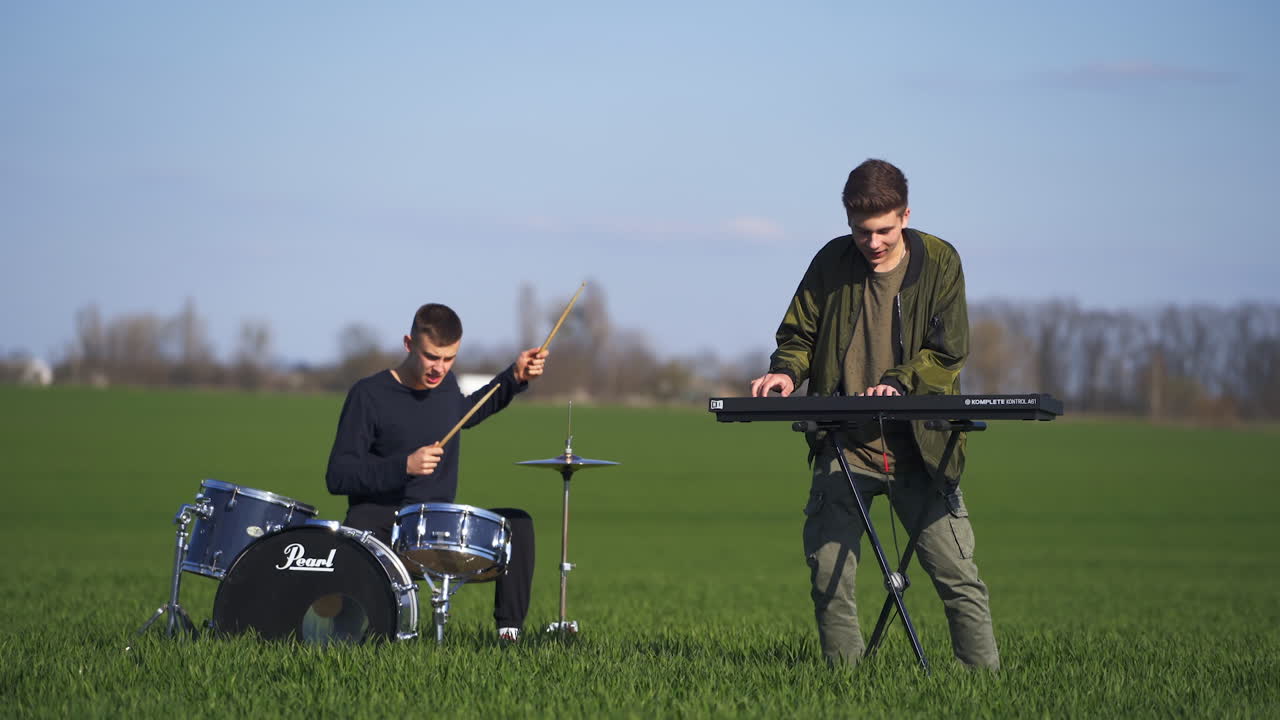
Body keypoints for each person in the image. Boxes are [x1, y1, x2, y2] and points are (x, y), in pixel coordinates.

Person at [749, 159, 999, 668]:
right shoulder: (831, 262)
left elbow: (948, 352)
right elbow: (799, 334)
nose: (874, 242)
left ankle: (983, 682)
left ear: (905, 216)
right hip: (844, 447)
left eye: (884, 230)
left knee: (956, 575)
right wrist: (785, 373)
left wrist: (898, 382)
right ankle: (845, 681)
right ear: (847, 223)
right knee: (828, 575)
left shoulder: (940, 261)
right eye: (862, 232)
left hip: (922, 449)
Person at [326, 302, 547, 642]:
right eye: (431, 357)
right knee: (365, 637)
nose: (439, 368)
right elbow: (338, 475)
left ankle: (508, 636)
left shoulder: (445, 387)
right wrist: (403, 466)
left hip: (436, 525)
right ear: (408, 344)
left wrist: (514, 377)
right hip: (380, 528)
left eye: (449, 359)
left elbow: (466, 413)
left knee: (517, 525)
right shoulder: (368, 395)